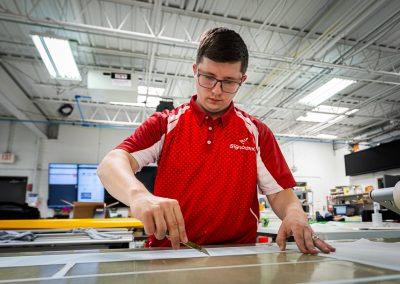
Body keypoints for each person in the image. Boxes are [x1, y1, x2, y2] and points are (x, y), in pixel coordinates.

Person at [97, 27, 335, 255]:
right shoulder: (165, 124)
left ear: (242, 79)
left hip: (239, 257)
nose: (216, 90)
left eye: (229, 82)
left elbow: (279, 192)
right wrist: (138, 195)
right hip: (171, 254)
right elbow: (111, 164)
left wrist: (294, 213)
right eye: (208, 77)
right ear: (195, 70)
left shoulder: (256, 132)